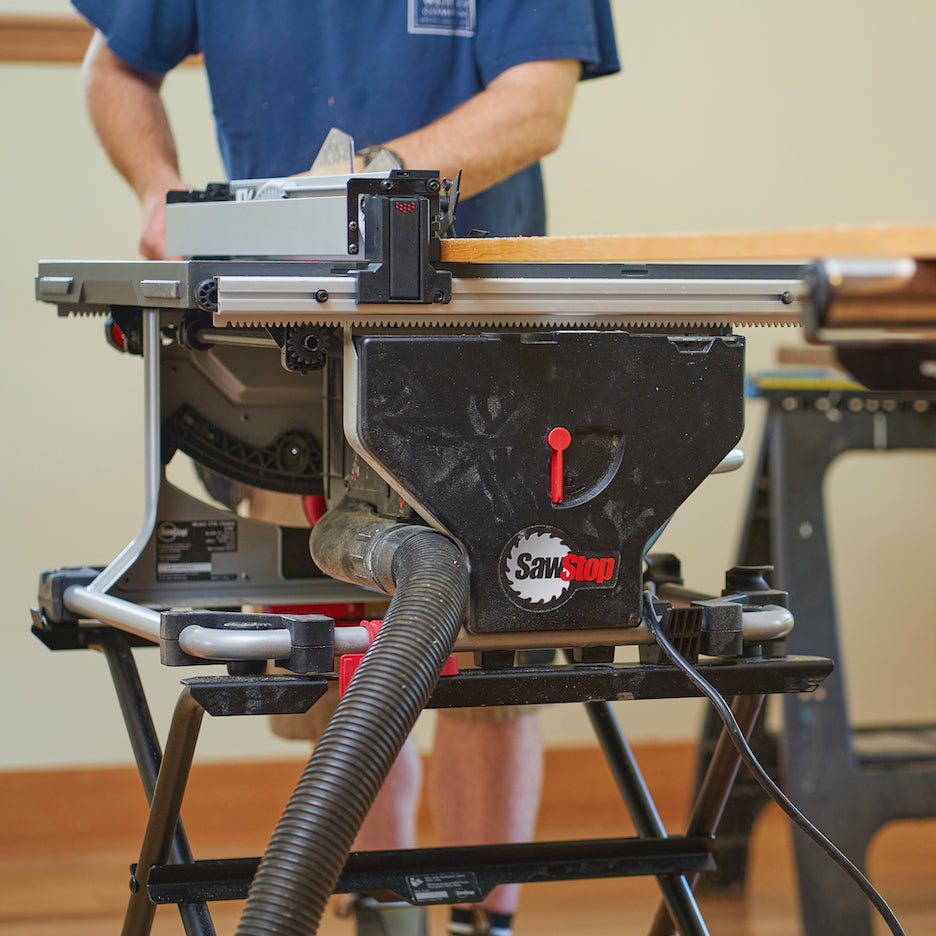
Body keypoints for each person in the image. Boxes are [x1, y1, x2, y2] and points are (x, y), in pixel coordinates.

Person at [73, 4, 620, 934]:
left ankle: (484, 925)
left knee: (492, 662)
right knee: (343, 654)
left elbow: (537, 104)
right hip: (288, 334)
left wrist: (377, 183)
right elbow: (114, 65)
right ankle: (383, 917)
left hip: (470, 325)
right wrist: (157, 190)